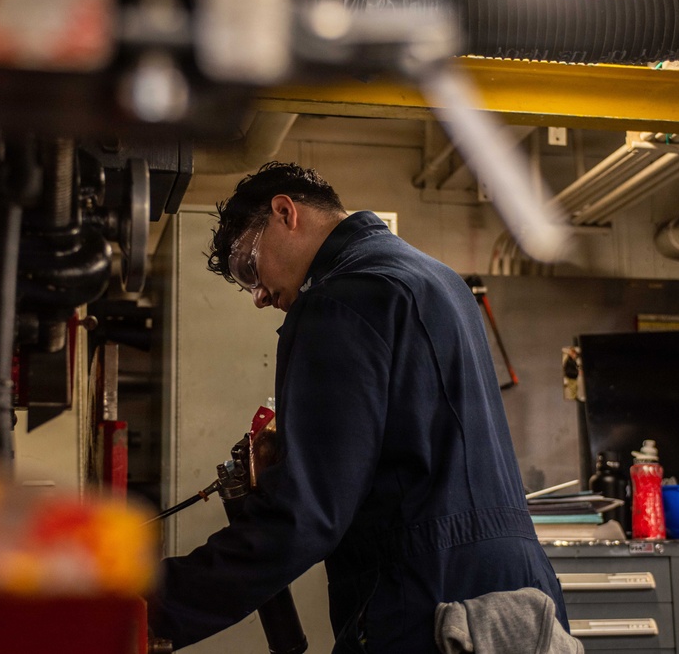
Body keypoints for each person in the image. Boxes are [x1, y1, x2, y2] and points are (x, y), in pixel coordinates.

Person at [147, 162, 568, 652]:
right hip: (521, 598)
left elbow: (305, 515)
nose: (259, 296)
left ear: (285, 213)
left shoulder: (340, 301)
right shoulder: (439, 280)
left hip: (429, 607)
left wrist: (159, 603)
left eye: (249, 268)